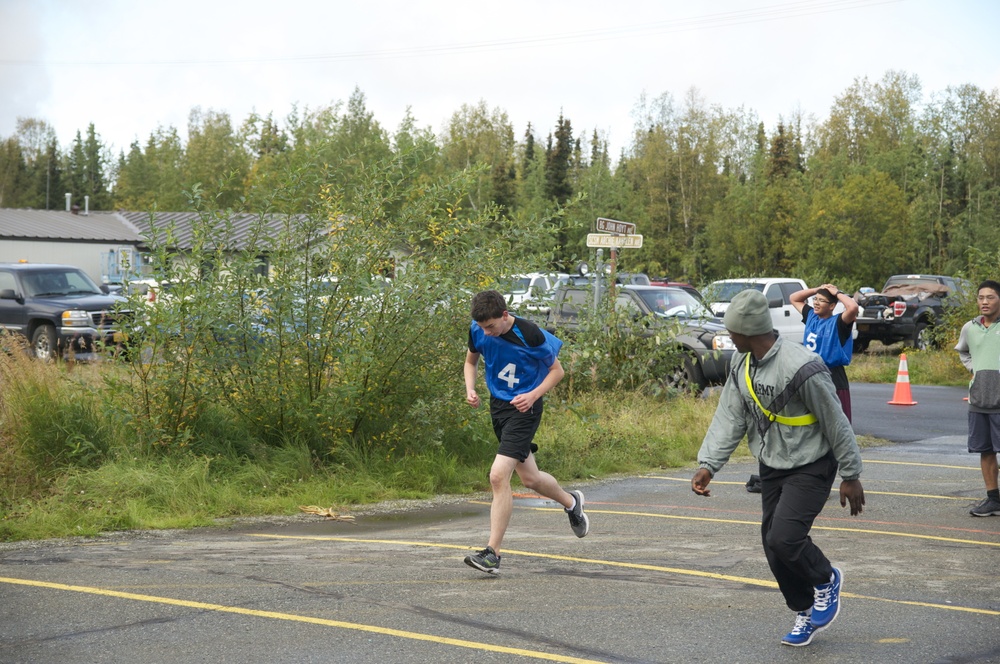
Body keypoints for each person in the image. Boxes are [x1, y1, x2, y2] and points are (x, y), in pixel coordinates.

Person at [690, 289, 865, 647]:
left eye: (732, 333)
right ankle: (804, 609)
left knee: (785, 537)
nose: (730, 339)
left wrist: (851, 474)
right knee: (772, 544)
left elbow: (836, 421)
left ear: (748, 331)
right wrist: (709, 464)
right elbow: (730, 416)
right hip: (773, 462)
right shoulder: (742, 364)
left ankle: (826, 580)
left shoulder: (803, 366)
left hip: (813, 462)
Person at [463, 290, 589, 574]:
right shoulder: (478, 328)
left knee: (498, 476)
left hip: (524, 409)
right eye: (482, 328)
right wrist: (470, 389)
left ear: (505, 315)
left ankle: (492, 553)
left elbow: (557, 371)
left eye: (491, 326)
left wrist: (532, 395)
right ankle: (572, 502)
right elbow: (471, 361)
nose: (487, 333)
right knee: (530, 478)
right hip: (499, 408)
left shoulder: (530, 334)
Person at [954, 280, 1000, 517]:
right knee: (986, 450)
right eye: (981, 297)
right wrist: (975, 370)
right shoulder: (969, 328)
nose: (984, 302)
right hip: (979, 398)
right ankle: (993, 499)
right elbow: (962, 350)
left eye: (990, 297)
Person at [790, 284, 858, 422]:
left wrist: (837, 292)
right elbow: (794, 298)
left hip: (833, 376)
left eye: (821, 300)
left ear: (832, 306)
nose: (816, 302)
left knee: (837, 422)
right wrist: (818, 289)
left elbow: (853, 307)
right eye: (815, 299)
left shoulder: (838, 322)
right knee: (811, 420)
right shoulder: (811, 316)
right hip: (810, 374)